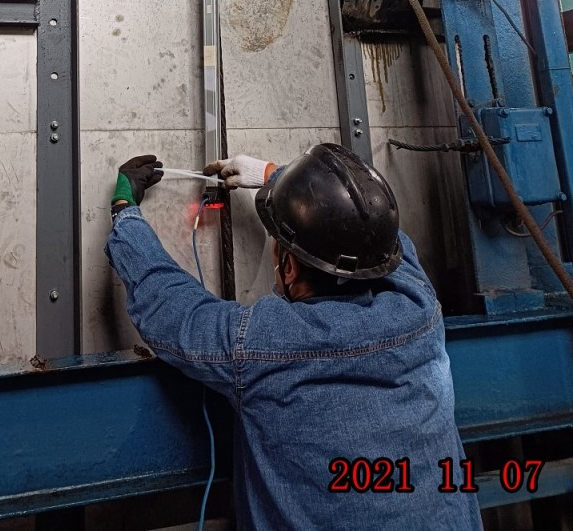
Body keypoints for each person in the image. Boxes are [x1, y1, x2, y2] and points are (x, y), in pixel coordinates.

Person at [106, 145, 483, 531]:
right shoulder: (418, 302)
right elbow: (372, 230)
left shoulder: (263, 343)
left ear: (288, 267)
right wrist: (272, 174)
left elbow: (171, 306)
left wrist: (124, 209)